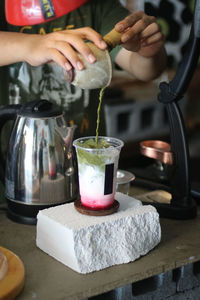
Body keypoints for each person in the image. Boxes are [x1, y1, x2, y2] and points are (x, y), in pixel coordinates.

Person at [0, 0, 166, 138]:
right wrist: (29, 45)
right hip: (13, 156)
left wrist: (148, 53)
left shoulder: (98, 6)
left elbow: (145, 71)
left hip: (82, 158)